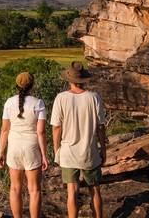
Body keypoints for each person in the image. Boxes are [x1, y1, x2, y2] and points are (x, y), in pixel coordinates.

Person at [51, 61, 107, 218]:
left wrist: (57, 151)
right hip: (89, 151)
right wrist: (103, 149)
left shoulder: (61, 98)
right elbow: (101, 127)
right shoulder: (93, 97)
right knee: (95, 190)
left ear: (69, 79)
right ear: (84, 80)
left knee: (72, 192)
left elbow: (56, 127)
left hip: (68, 152)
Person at [0, 72, 50, 218]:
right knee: (34, 190)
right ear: (32, 85)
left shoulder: (9, 102)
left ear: (17, 85)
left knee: (14, 188)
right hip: (32, 148)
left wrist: (1, 152)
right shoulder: (38, 103)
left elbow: (4, 130)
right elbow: (41, 132)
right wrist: (44, 156)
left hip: (13, 147)